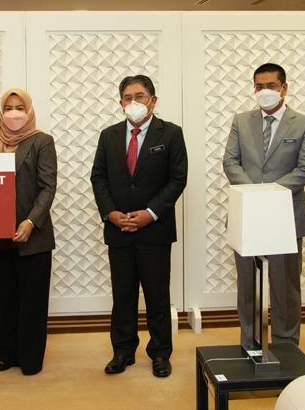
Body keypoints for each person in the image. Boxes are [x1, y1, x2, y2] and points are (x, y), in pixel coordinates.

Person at [90, 75, 187, 378]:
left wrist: (150, 212)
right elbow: (99, 177)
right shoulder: (108, 135)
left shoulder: (170, 133)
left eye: (140, 96)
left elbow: (177, 179)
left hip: (154, 230)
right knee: (123, 296)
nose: (134, 102)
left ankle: (160, 353)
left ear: (153, 100)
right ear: (121, 104)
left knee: (157, 296)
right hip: (118, 229)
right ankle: (123, 351)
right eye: (128, 97)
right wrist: (110, 213)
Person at [222, 63, 305, 347]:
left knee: (284, 288)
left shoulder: (304, 124)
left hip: (285, 217)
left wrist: (270, 194)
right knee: (247, 287)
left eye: (272, 86)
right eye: (260, 86)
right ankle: (249, 344)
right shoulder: (241, 121)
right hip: (247, 216)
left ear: (284, 89)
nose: (266, 92)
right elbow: (230, 162)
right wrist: (256, 194)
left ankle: (286, 346)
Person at [0, 88, 57, 376]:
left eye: (20, 107)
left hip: (32, 235)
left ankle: (30, 358)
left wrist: (31, 222)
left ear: (29, 111)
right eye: (8, 108)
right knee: (2, 299)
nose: (14, 113)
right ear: (1, 111)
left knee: (32, 300)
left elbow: (48, 187)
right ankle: (4, 355)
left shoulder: (42, 141)